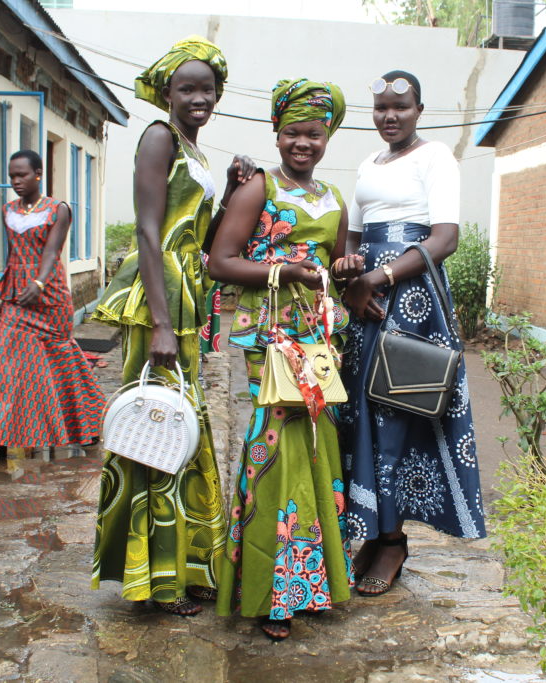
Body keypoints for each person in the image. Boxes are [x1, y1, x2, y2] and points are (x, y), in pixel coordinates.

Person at [90, 36, 255, 616]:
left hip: (187, 294)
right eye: (187, 88)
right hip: (159, 299)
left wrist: (233, 189)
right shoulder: (159, 137)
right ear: (166, 92)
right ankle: (157, 580)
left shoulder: (198, 154)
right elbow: (148, 231)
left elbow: (205, 246)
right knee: (154, 426)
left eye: (207, 89)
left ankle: (184, 565)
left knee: (180, 426)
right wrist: (161, 323)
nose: (198, 98)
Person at [209, 78, 364, 641]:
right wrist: (284, 271)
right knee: (272, 454)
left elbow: (336, 260)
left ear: (328, 138)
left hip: (317, 340)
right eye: (294, 132)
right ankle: (270, 594)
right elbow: (219, 262)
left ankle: (311, 586)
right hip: (269, 339)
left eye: (315, 134)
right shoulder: (259, 186)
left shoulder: (334, 199)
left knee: (317, 451)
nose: (304, 143)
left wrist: (344, 267)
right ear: (276, 132)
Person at [339, 71, 486, 597]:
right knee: (361, 410)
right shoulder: (367, 164)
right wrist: (350, 274)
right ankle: (375, 532)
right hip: (366, 304)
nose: (389, 116)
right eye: (380, 107)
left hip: (412, 297)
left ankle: (395, 542)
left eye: (399, 107)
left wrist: (376, 278)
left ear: (419, 109)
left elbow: (445, 237)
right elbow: (352, 234)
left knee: (397, 410)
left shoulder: (435, 157)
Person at [0, 150, 103, 465]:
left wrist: (40, 282)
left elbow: (52, 250)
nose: (16, 181)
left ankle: (87, 422)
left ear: (38, 174)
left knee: (61, 361)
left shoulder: (58, 209)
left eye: (22, 175)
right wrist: (22, 284)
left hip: (49, 295)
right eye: (12, 175)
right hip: (16, 296)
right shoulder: (8, 210)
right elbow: (17, 252)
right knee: (6, 366)